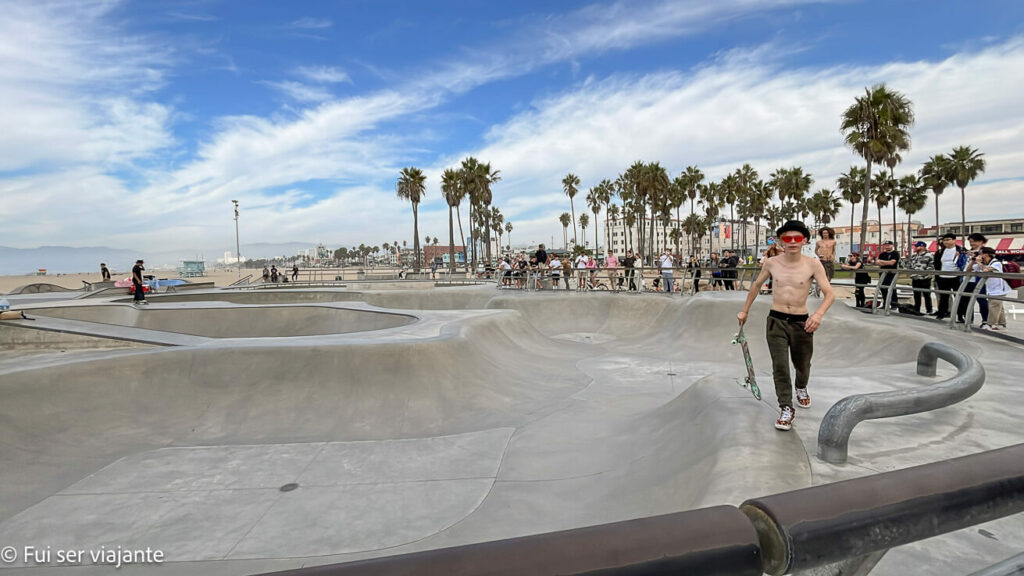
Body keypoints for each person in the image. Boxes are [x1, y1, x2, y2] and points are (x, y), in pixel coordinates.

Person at [738, 221, 834, 432]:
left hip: (802, 323)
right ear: (781, 241)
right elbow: (755, 286)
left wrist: (818, 315)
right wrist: (745, 310)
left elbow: (830, 293)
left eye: (797, 239)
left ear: (805, 241)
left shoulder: (813, 264)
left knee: (803, 364)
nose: (792, 242)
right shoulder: (772, 263)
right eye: (787, 239)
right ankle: (786, 407)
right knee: (780, 367)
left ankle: (801, 386)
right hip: (776, 321)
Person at [933, 233, 968, 320]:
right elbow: (936, 264)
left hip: (956, 277)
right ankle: (941, 313)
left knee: (958, 297)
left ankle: (960, 315)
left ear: (954, 240)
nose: (946, 242)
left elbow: (964, 263)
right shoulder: (940, 251)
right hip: (942, 277)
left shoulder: (960, 250)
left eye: (948, 240)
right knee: (944, 297)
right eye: (944, 240)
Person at [957, 233, 989, 325]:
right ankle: (968, 318)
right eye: (970, 242)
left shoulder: (985, 252)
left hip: (979, 279)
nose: (972, 244)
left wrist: (976, 258)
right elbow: (961, 265)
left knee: (981, 300)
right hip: (966, 279)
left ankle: (985, 320)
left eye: (974, 241)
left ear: (981, 241)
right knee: (965, 300)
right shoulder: (967, 252)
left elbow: (987, 264)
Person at [975, 246, 1010, 331]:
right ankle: (1002, 324)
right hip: (992, 289)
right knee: (999, 306)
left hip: (999, 289)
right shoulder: (986, 263)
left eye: (980, 254)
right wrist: (974, 261)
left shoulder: (996, 263)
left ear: (986, 255)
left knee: (993, 306)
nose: (979, 256)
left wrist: (979, 262)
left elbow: (986, 270)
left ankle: (991, 324)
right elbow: (972, 268)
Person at [907, 241, 935, 315]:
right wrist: (912, 274)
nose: (916, 247)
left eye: (917, 246)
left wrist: (925, 275)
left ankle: (929, 309)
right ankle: (917, 309)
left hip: (925, 279)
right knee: (916, 295)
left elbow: (931, 267)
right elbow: (909, 266)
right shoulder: (914, 256)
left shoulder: (929, 255)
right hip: (915, 278)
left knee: (926, 295)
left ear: (923, 246)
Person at [875, 240, 900, 309]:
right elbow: (877, 263)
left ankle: (894, 304)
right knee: (883, 288)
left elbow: (892, 263)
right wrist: (885, 262)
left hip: (891, 274)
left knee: (892, 288)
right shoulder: (882, 254)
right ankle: (885, 304)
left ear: (892, 245)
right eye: (886, 245)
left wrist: (882, 261)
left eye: (889, 245)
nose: (887, 246)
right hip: (882, 273)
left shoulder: (895, 253)